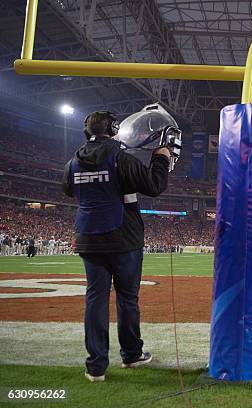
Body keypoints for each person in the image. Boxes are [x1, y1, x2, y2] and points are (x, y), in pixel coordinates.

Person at [62, 111, 171, 382]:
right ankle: (131, 354)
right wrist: (160, 158)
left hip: (89, 235)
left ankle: (96, 366)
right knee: (127, 298)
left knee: (95, 299)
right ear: (114, 129)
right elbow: (155, 186)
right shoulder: (122, 159)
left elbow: (68, 189)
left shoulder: (73, 162)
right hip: (123, 237)